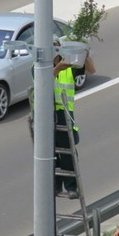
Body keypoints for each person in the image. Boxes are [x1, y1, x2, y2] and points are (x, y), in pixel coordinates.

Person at [53, 38, 81, 199]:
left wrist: (85, 53)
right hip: (47, 115)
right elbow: (42, 82)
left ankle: (71, 187)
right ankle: (55, 186)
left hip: (64, 113)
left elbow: (91, 69)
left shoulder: (68, 67)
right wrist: (57, 68)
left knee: (68, 153)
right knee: (50, 155)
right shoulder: (38, 67)